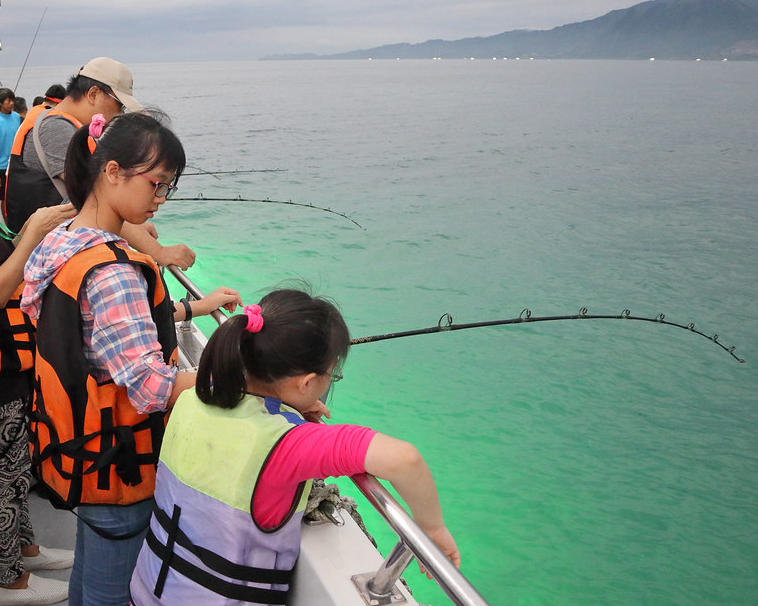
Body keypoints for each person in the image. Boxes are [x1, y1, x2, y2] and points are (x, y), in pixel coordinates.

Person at [20, 111, 242, 606]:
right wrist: (242, 375)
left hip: (73, 448)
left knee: (87, 583)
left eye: (168, 189)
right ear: (112, 170)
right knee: (110, 596)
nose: (160, 200)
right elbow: (150, 386)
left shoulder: (59, 242)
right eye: (157, 184)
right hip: (117, 466)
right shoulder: (113, 273)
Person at [129, 289, 461, 605]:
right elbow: (405, 459)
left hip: (146, 590)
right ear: (305, 383)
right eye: (332, 375)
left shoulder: (192, 398)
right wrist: (433, 528)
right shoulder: (288, 445)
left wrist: (290, 405)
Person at [3, 58, 195, 270]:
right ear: (93, 94)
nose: (119, 114)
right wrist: (159, 251)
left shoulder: (55, 120)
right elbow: (98, 200)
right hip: (39, 259)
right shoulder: (56, 128)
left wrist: (136, 229)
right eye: (118, 104)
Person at [0, 206, 77, 606]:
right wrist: (30, 239)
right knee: (3, 483)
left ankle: (25, 551)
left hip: (13, 372)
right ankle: (7, 581)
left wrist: (20, 239)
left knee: (16, 473)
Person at [0, 88, 21, 206]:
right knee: (4, 198)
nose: (12, 103)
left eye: (13, 100)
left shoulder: (17, 117)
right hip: (1, 166)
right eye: (8, 101)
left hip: (14, 164)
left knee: (10, 198)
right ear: (1, 102)